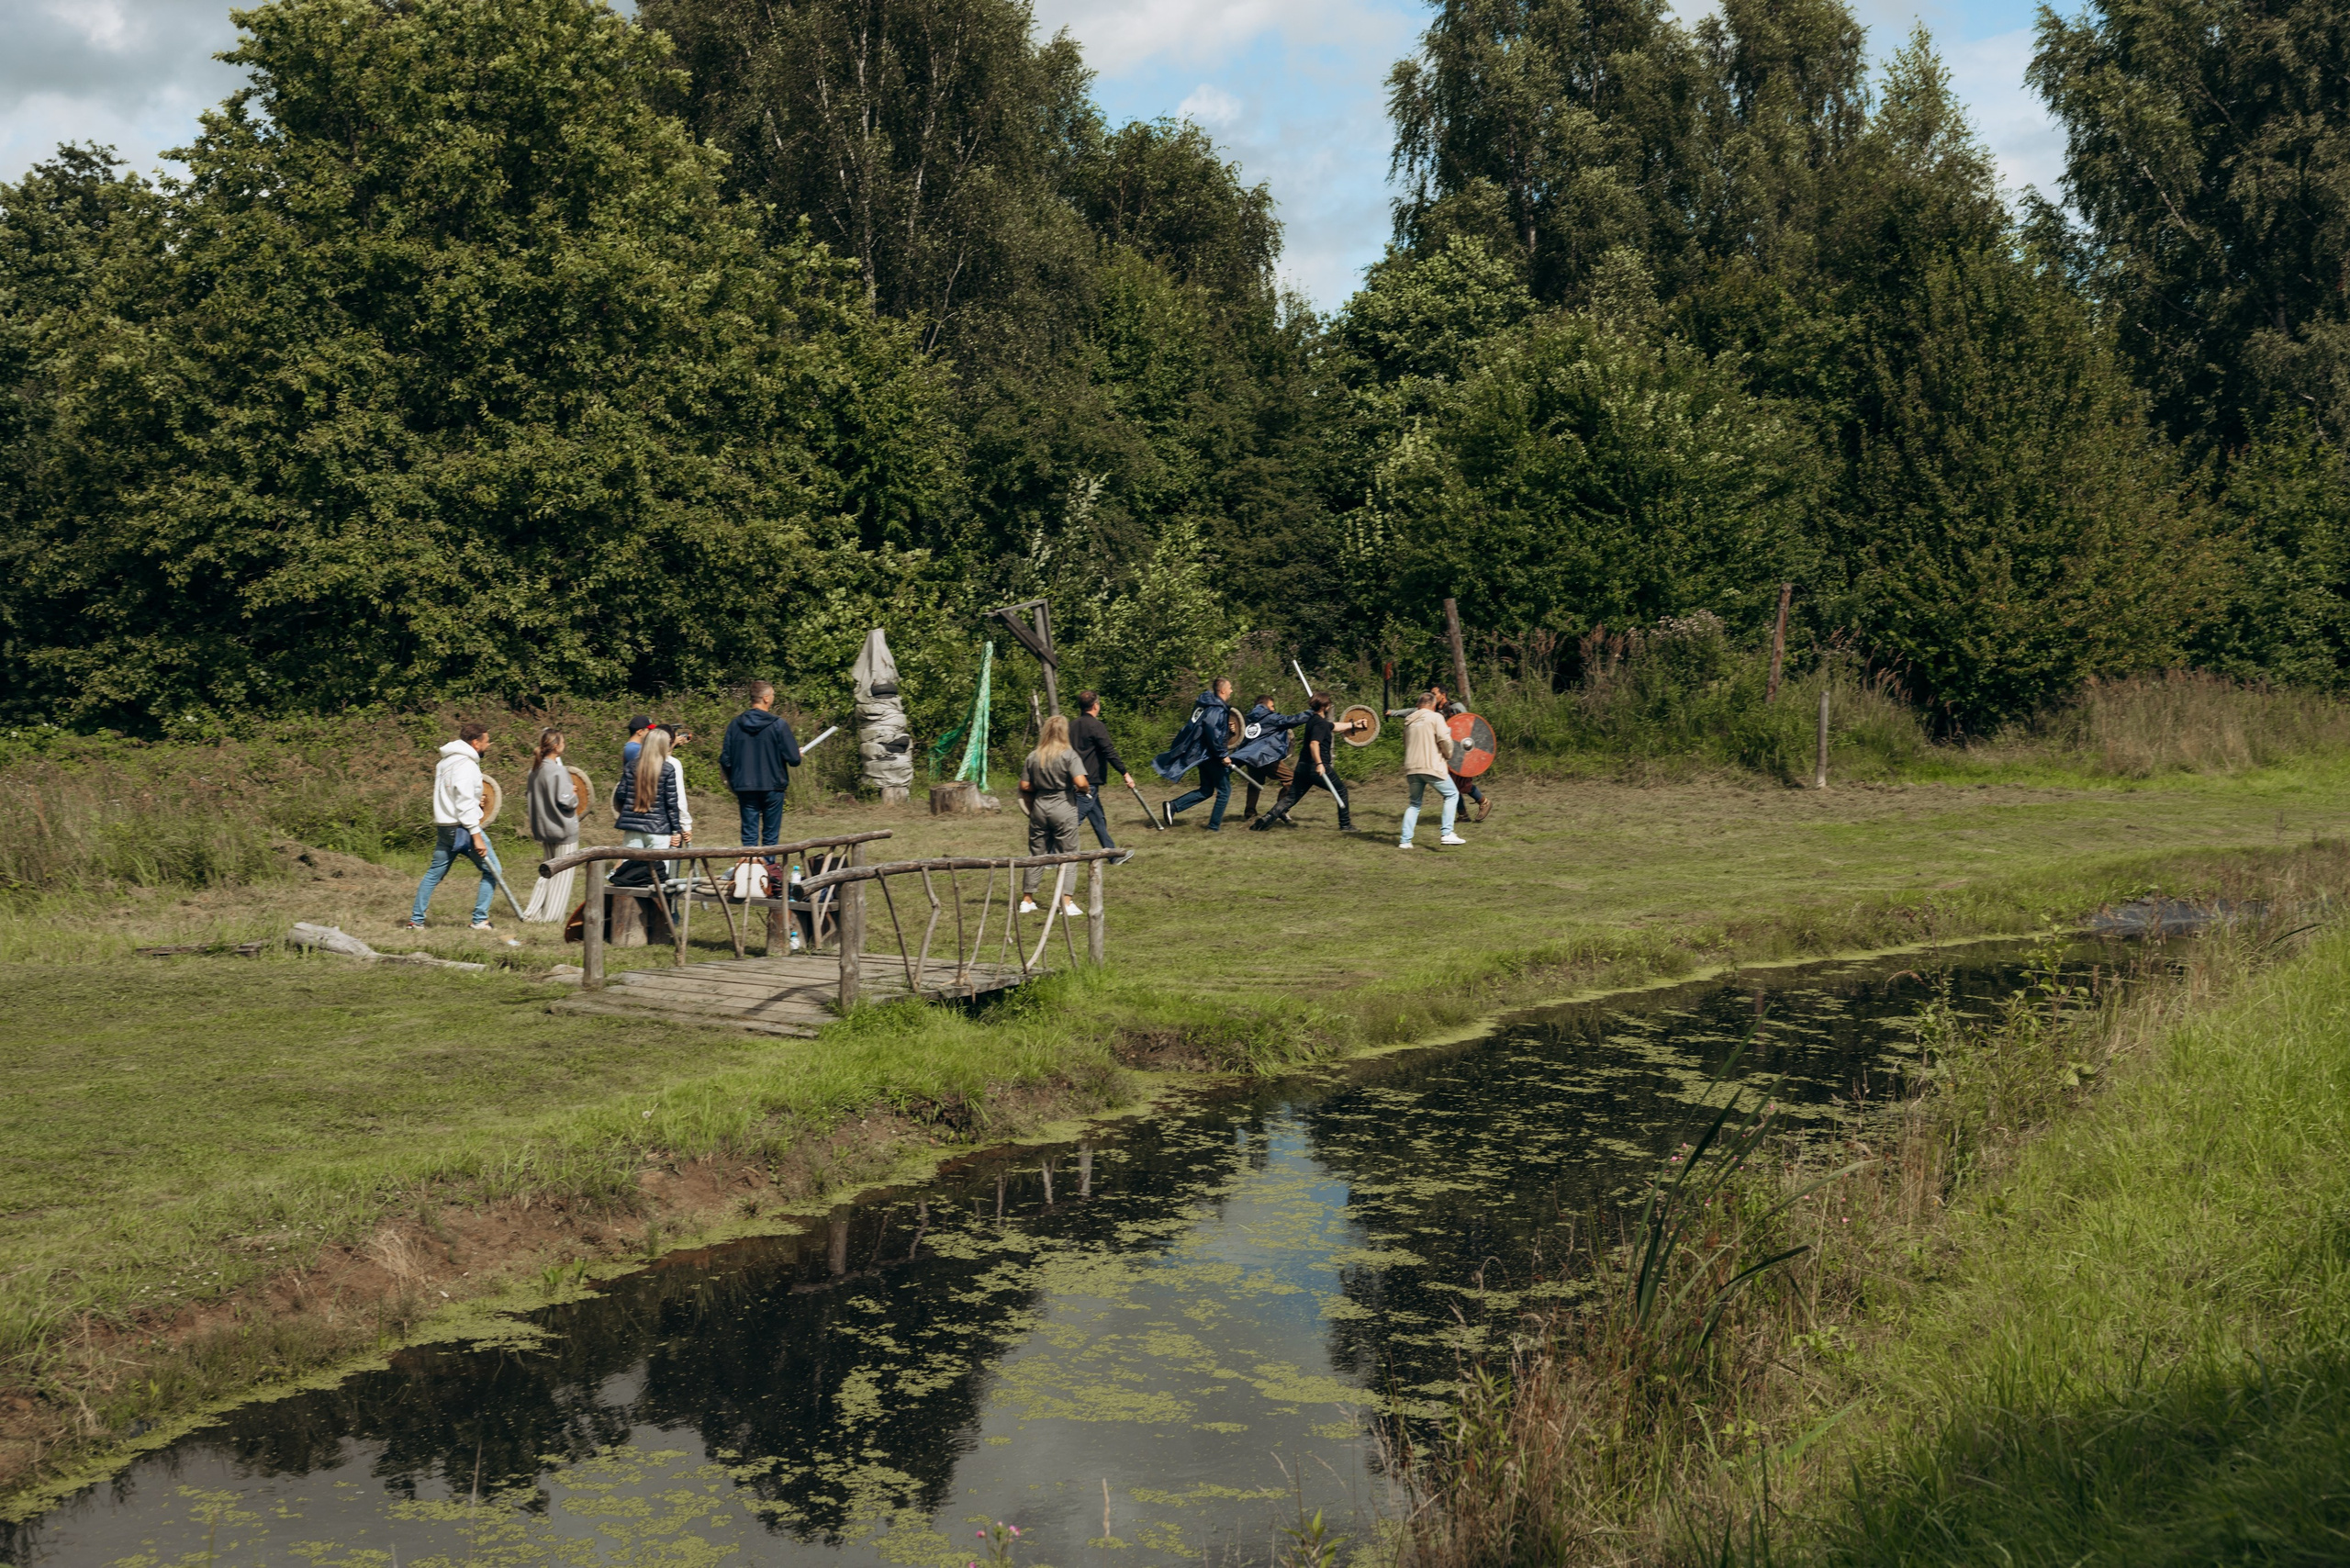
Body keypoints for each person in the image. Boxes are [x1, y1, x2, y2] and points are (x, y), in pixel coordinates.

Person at [407, 722, 503, 931]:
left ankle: (416, 921)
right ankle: (479, 919)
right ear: (476, 742)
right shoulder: (466, 765)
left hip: (445, 826)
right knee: (493, 870)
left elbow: (454, 795)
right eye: (487, 742)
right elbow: (464, 802)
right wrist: (476, 836)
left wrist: (476, 802)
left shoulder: (445, 763)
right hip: (462, 828)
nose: (488, 746)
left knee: (434, 874)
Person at [1249, 693, 1354, 832]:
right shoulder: (1320, 724)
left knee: (1291, 798)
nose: (1329, 706)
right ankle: (1345, 825)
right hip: (1316, 767)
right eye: (1328, 704)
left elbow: (1333, 726)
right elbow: (1314, 744)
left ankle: (1266, 819)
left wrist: (1353, 725)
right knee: (1341, 790)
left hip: (1302, 767)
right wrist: (1319, 764)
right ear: (1324, 707)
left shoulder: (1313, 720)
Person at [1017, 714, 1089, 917]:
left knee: (1036, 853)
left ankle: (1027, 900)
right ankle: (1066, 902)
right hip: (1063, 806)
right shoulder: (1069, 755)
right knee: (1069, 855)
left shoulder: (1034, 755)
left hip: (1039, 807)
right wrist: (1082, 788)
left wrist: (1041, 786)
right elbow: (1081, 782)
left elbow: (1024, 785)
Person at [720, 681, 803, 852]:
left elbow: (726, 759)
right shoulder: (778, 725)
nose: (773, 698)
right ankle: (768, 874)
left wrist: (733, 781)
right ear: (765, 698)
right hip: (773, 786)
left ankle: (750, 873)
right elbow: (794, 760)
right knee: (770, 838)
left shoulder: (735, 725)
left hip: (745, 786)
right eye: (772, 695)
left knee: (749, 837)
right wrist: (796, 753)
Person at [1151, 677, 1237, 831]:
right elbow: (1212, 733)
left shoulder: (1213, 707)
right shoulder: (1216, 709)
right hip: (1211, 756)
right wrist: (1223, 754)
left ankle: (1173, 806)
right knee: (1225, 791)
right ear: (1223, 690)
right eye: (1230, 688)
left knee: (1206, 790)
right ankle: (1213, 827)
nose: (1231, 691)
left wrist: (1228, 731)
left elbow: (1214, 731)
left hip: (1205, 756)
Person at [520, 729, 580, 923]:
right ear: (556, 746)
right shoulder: (558, 770)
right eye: (563, 741)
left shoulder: (534, 771)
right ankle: (551, 918)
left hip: (544, 829)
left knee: (547, 872)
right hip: (563, 830)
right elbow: (567, 802)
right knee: (562, 876)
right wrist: (573, 793)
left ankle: (533, 913)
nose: (565, 744)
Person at [1398, 690, 1467, 850]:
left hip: (1412, 767)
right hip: (1432, 766)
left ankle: (1405, 841)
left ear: (1418, 705)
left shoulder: (1408, 722)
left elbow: (1406, 743)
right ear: (1433, 705)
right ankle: (1447, 833)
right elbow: (1444, 739)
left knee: (1414, 804)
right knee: (1452, 794)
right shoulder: (1436, 717)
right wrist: (1449, 754)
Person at [1227, 693, 1312, 820]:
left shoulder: (1248, 720)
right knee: (1292, 780)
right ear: (1265, 705)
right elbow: (1292, 720)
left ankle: (1250, 813)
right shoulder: (1271, 718)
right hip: (1266, 757)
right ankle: (1281, 808)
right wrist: (1312, 712)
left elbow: (1239, 739)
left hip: (1250, 758)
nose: (1273, 709)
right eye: (1272, 706)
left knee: (1255, 784)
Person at [1069, 691, 1134, 854]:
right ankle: (1051, 855)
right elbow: (1109, 751)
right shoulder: (1096, 726)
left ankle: (1112, 854)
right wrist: (1124, 773)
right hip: (1089, 781)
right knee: (1073, 820)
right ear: (1095, 705)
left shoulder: (1071, 726)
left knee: (1098, 818)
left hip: (1074, 777)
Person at [615, 725, 683, 875]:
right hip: (658, 829)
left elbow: (620, 794)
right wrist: (676, 830)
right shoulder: (668, 769)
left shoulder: (632, 765)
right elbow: (671, 804)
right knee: (657, 878)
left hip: (632, 828)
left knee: (629, 875)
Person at [1445, 700, 1494, 822]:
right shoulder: (1436, 709)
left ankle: (1484, 802)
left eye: (1435, 693)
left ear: (1443, 694)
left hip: (1463, 751)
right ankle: (1463, 815)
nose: (1434, 696)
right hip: (1451, 751)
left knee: (1462, 785)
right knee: (1452, 786)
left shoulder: (1456, 707)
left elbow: (1468, 725)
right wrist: (1393, 713)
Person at [658, 722, 695, 849]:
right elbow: (678, 798)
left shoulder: (640, 760)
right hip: (667, 826)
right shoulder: (673, 764)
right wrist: (686, 826)